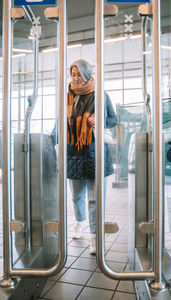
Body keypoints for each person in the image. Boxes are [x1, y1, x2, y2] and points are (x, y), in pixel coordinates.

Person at [51, 59, 117, 254]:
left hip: (94, 152)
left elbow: (113, 119)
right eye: (73, 74)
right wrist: (50, 140)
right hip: (73, 153)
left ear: (87, 74)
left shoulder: (100, 95)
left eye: (79, 74)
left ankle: (95, 236)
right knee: (77, 195)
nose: (75, 78)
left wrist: (99, 119)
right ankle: (79, 222)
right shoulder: (68, 97)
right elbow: (60, 122)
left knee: (95, 198)